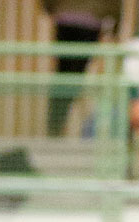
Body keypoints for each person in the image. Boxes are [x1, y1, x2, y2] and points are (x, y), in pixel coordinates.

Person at [41, 0, 123, 135]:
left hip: (67, 19)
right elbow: (116, 5)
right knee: (73, 78)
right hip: (88, 22)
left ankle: (55, 127)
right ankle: (57, 127)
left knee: (64, 77)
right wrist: (115, 28)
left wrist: (51, 9)